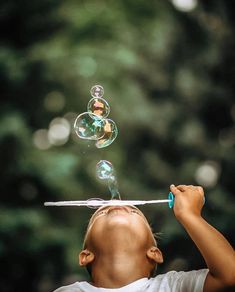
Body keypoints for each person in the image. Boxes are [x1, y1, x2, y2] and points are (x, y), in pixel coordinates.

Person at [54, 185, 235, 291]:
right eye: (103, 213)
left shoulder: (171, 286)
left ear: (154, 253)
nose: (118, 206)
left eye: (133, 211)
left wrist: (190, 216)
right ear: (86, 256)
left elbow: (229, 275)